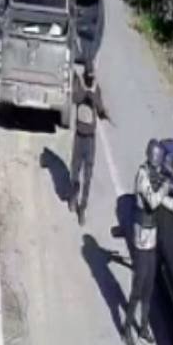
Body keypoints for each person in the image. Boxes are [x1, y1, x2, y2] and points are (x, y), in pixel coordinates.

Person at [123, 140, 173, 345]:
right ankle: (126, 327)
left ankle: (143, 326)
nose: (159, 168)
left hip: (151, 237)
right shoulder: (142, 176)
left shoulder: (154, 174)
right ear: (153, 159)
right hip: (141, 238)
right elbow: (153, 200)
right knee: (138, 286)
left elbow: (164, 200)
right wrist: (168, 186)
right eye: (158, 164)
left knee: (150, 285)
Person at [69, 61, 108, 225]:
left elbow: (100, 110)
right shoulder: (79, 83)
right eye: (89, 77)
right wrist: (86, 93)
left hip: (90, 139)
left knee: (88, 176)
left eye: (92, 78)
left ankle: (82, 207)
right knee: (74, 170)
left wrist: (98, 105)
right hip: (79, 136)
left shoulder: (96, 89)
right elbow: (75, 98)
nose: (91, 79)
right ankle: (73, 194)